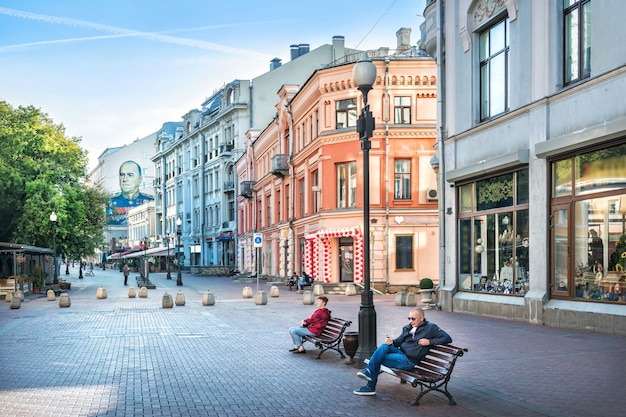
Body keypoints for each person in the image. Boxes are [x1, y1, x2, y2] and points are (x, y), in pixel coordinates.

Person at [354, 307, 452, 396]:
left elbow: (447, 338)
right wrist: (391, 341)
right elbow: (398, 342)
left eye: (413, 319)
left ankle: (370, 385)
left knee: (379, 358)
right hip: (401, 353)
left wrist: (430, 341)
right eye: (409, 318)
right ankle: (369, 372)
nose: (411, 321)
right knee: (384, 346)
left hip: (408, 361)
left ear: (422, 318)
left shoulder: (430, 328)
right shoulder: (408, 328)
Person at [107, 161, 154, 226]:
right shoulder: (111, 202)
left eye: (130, 175)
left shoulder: (150, 201)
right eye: (122, 175)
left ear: (140, 179)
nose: (125, 179)